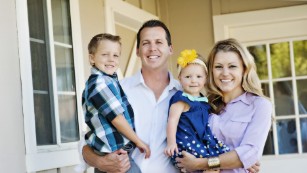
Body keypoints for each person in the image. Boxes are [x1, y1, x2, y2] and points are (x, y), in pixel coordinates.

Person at [80, 20, 181, 173]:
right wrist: (101, 162)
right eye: (146, 43)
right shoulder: (118, 89)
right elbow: (86, 146)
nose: (152, 48)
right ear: (137, 50)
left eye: (159, 42)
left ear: (170, 49)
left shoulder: (184, 95)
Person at [176, 38, 272, 173]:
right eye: (218, 67)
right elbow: (188, 147)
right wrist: (235, 160)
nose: (225, 73)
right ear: (210, 71)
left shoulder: (259, 105)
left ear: (244, 69)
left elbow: (249, 153)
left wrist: (201, 163)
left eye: (232, 66)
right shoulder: (202, 105)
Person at [81, 33, 151, 173]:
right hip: (114, 155)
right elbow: (117, 118)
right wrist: (138, 141)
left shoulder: (109, 81)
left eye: (115, 55)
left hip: (116, 152)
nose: (111, 59)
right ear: (92, 58)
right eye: (105, 54)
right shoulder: (100, 83)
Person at [164, 49, 229, 173]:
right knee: (201, 159)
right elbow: (172, 121)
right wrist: (171, 143)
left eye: (199, 76)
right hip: (188, 141)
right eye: (188, 76)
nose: (193, 80)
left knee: (223, 154)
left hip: (202, 139)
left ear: (205, 78)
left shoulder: (203, 101)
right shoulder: (180, 99)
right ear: (180, 78)